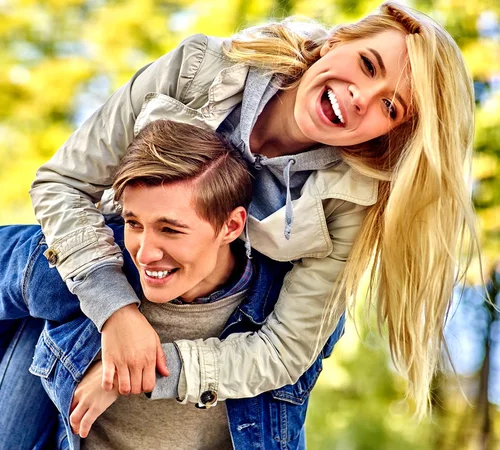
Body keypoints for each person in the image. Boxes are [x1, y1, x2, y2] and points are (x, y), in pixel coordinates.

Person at [27, 0, 477, 421]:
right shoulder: (199, 70)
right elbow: (62, 182)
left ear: (389, 133)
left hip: (221, 346)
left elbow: (286, 349)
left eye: (389, 106)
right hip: (107, 281)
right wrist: (116, 312)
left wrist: (147, 370)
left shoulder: (349, 199)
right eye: (368, 64)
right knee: (2, 264)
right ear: (338, 41)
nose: (363, 96)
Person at [0, 120, 343, 449]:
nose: (144, 252)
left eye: (170, 230)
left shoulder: (290, 312)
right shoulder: (82, 268)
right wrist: (11, 387)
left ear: (232, 225)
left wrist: (132, 376)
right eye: (134, 223)